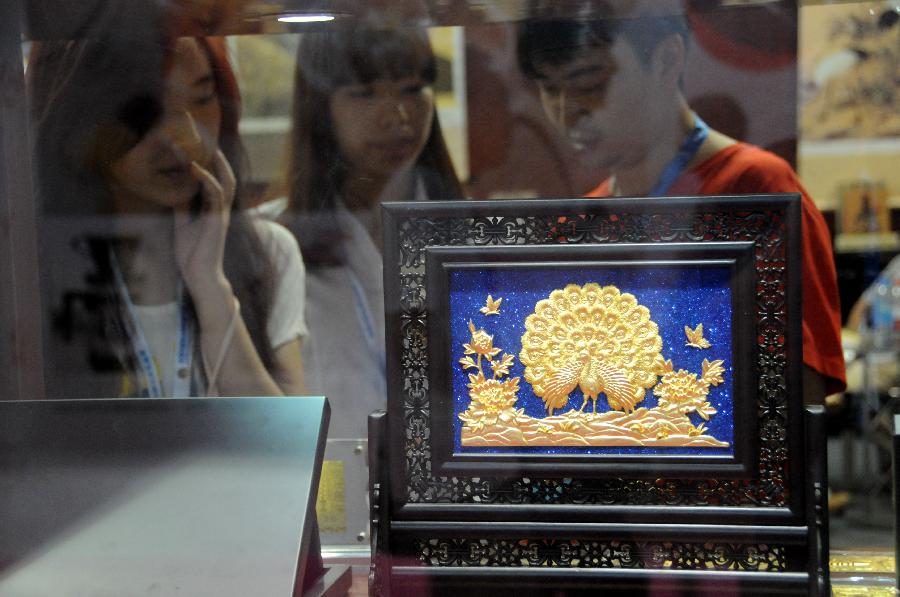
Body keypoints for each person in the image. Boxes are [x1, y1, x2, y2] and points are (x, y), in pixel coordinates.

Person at [516, 0, 845, 402]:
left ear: (666, 59)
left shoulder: (756, 189)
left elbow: (802, 391)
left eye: (589, 85)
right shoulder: (587, 215)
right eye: (549, 89)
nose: (566, 113)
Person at [30, 31, 307, 398]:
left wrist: (210, 284)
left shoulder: (269, 251)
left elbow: (288, 448)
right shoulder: (27, 270)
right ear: (81, 118)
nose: (186, 137)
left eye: (203, 99)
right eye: (149, 111)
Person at [267, 21, 464, 439]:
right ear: (319, 105)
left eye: (413, 88)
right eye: (364, 92)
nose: (397, 115)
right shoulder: (273, 244)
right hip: (332, 490)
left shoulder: (473, 233)